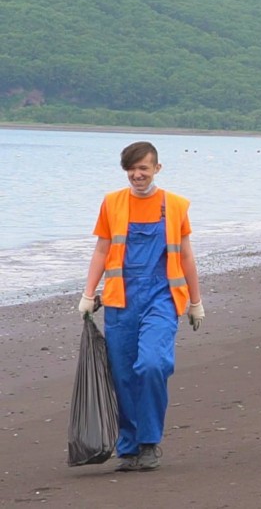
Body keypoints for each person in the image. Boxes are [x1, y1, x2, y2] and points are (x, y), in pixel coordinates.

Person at [78, 141, 205, 471]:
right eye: (131, 169)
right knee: (123, 376)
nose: (137, 175)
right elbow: (102, 251)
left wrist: (196, 301)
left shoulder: (175, 206)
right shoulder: (112, 203)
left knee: (152, 365)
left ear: (157, 169)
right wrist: (89, 293)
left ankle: (149, 442)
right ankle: (130, 447)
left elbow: (187, 256)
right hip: (120, 300)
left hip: (162, 298)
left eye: (143, 168)